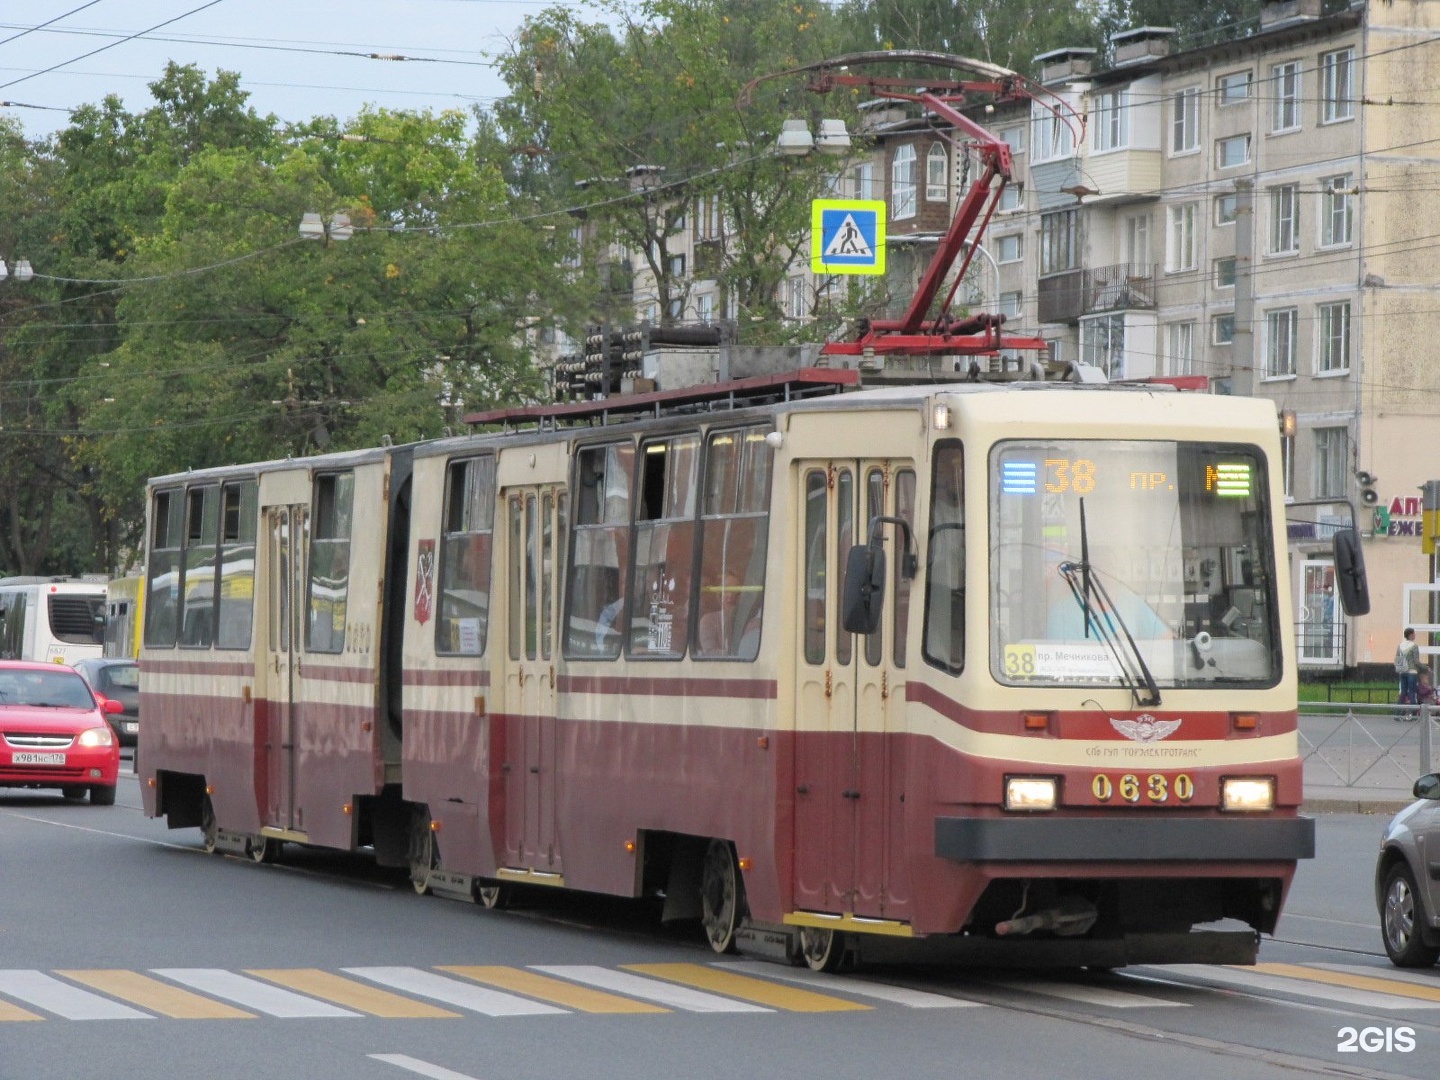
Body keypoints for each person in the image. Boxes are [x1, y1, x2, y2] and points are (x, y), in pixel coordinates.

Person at [1396, 628, 1421, 707]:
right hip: (1412, 672)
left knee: (1403, 693)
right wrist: (1425, 668)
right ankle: (1413, 715)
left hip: (1403, 672)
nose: (1415, 635)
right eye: (1414, 634)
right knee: (1412, 692)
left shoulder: (1400, 646)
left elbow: (1398, 659)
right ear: (1410, 635)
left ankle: (1398, 714)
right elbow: (1416, 661)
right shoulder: (1414, 646)